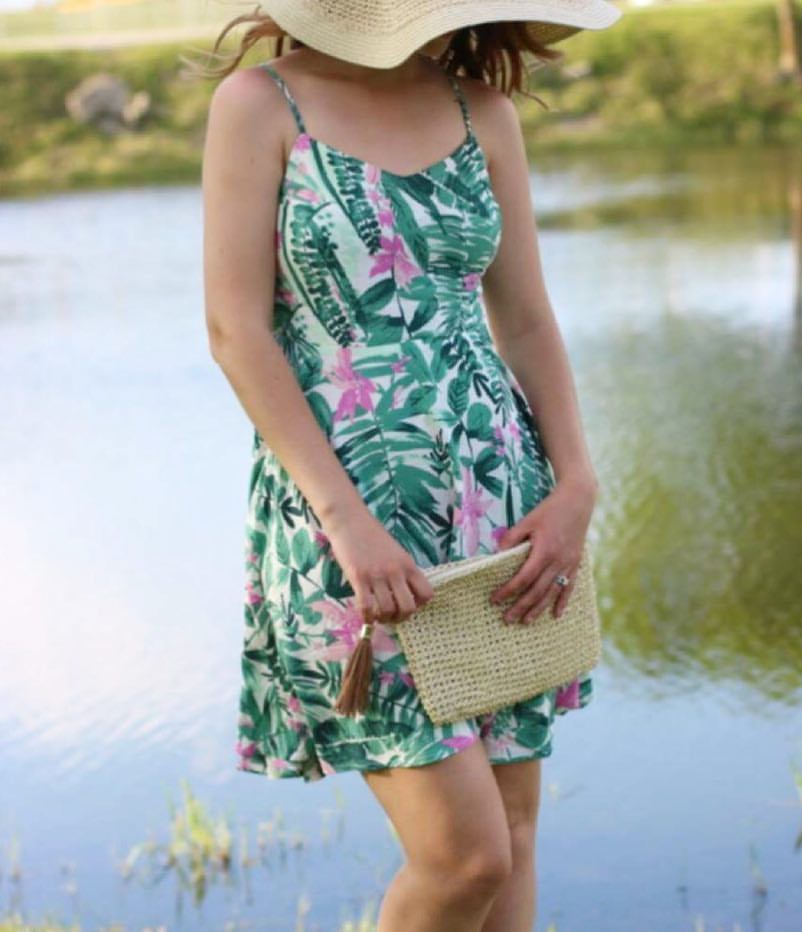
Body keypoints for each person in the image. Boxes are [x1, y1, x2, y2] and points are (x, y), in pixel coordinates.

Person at [198, 1, 619, 928]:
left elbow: (527, 319)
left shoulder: (482, 110)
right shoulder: (260, 106)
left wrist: (577, 484)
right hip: (347, 522)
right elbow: (237, 331)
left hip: (499, 505)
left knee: (513, 830)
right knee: (465, 857)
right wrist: (347, 523)